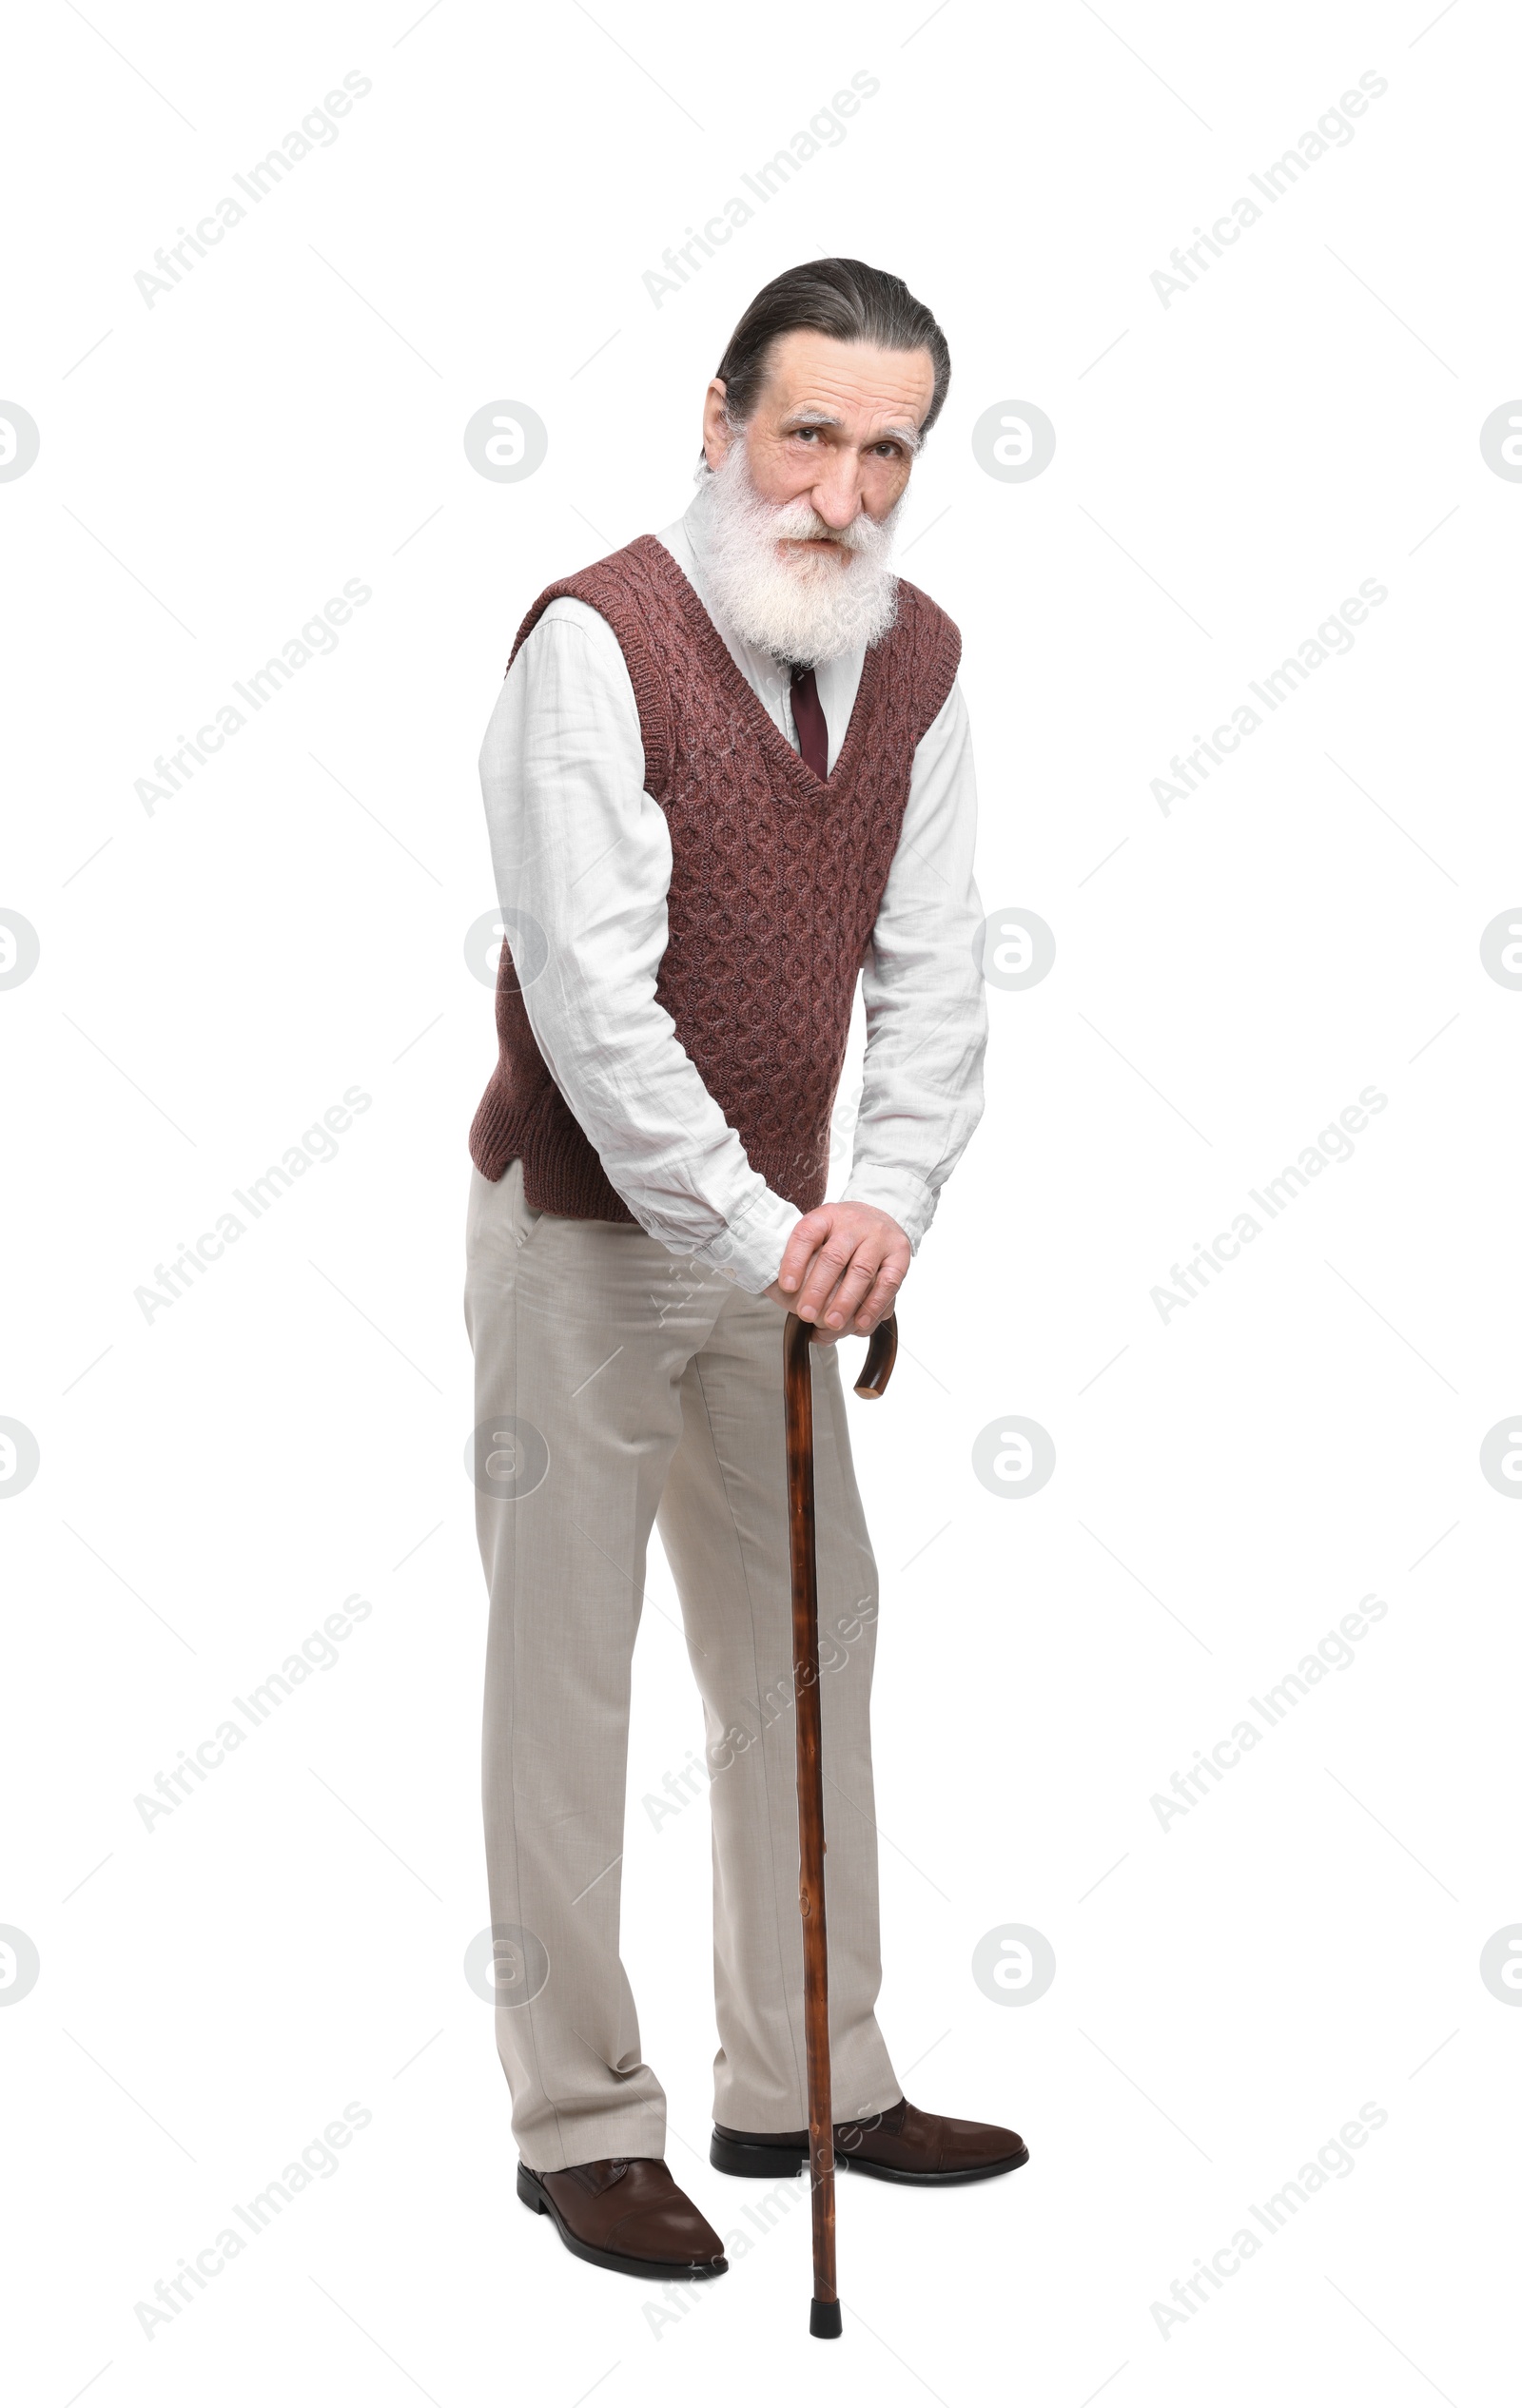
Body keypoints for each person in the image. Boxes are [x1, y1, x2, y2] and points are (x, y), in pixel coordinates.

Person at [463, 257, 1026, 2283]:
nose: (844, 490)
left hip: (790, 1255)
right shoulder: (592, 645)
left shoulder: (919, 655)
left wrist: (884, 1201)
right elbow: (594, 1006)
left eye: (887, 448)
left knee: (812, 1653)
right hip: (587, 1242)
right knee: (566, 1683)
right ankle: (579, 2125)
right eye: (808, 433)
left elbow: (935, 962)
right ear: (717, 423)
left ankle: (808, 2079)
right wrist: (768, 1228)